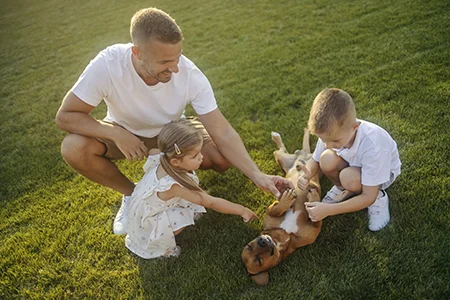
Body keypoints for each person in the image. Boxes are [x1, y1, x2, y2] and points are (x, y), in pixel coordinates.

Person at [55, 7, 292, 234]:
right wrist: (115, 133)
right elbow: (66, 116)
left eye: (177, 57)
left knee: (221, 159)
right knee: (74, 148)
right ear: (136, 53)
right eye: (164, 62)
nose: (175, 68)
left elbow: (223, 132)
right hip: (124, 132)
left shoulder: (189, 74)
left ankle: (174, 181)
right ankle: (134, 196)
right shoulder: (107, 64)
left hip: (174, 132)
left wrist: (257, 175)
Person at [124, 119, 258, 258]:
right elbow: (210, 202)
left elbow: (152, 150)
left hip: (141, 208)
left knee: (190, 200)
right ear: (175, 162)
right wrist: (242, 210)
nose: (201, 157)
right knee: (182, 215)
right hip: (146, 224)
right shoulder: (174, 186)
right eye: (195, 156)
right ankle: (163, 249)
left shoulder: (161, 155)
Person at [297, 88, 401, 231]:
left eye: (334, 141)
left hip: (381, 175)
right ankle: (343, 189)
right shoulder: (333, 134)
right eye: (323, 140)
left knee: (349, 177)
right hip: (353, 165)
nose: (327, 145)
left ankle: (379, 197)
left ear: (355, 127)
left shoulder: (373, 145)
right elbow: (315, 160)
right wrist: (307, 174)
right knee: (326, 159)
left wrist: (328, 210)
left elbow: (367, 196)